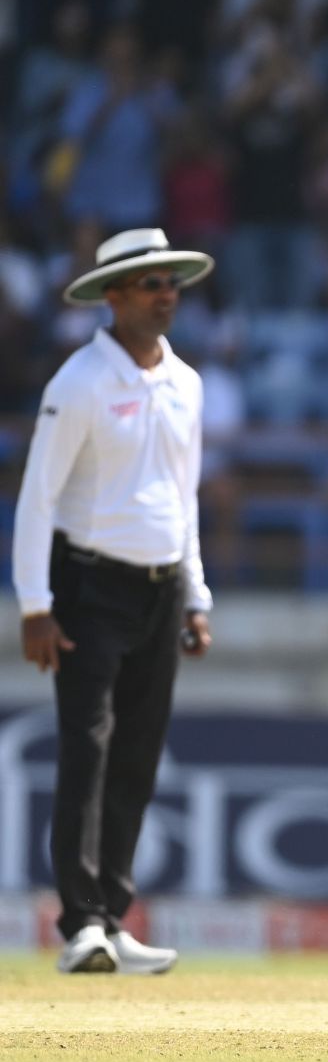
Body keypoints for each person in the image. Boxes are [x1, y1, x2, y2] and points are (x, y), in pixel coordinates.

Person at [13, 227, 217, 976]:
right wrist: (35, 603)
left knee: (137, 751)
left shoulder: (186, 383)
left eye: (172, 283)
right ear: (114, 295)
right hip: (90, 583)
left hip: (162, 587)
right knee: (87, 748)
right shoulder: (79, 383)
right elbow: (39, 497)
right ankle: (81, 923)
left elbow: (182, 495)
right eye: (152, 283)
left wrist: (195, 593)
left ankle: (116, 915)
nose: (167, 295)